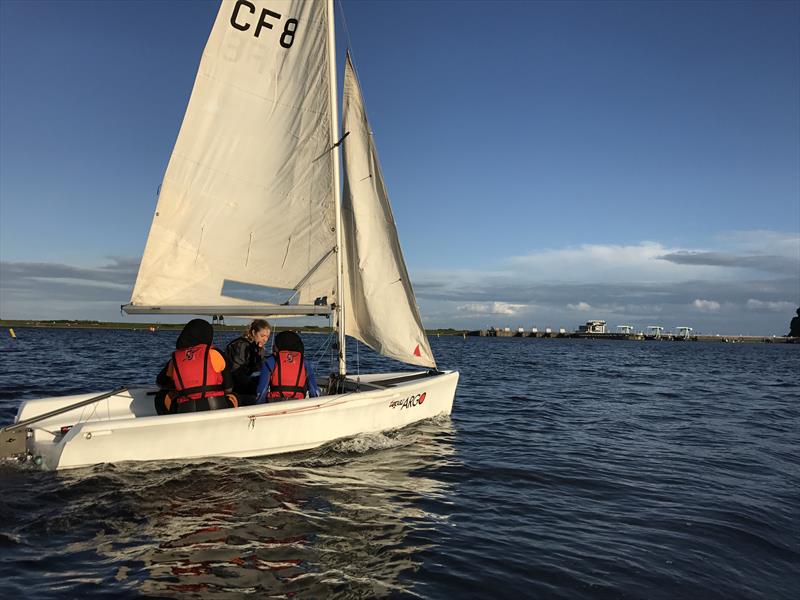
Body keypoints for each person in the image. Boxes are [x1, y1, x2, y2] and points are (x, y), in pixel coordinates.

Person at [155, 318, 237, 414]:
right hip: (216, 405)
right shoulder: (215, 353)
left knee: (161, 396)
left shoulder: (175, 360)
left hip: (185, 408)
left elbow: (160, 382)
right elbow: (228, 387)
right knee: (241, 397)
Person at [255, 330, 320, 403]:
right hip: (298, 403)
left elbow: (261, 391)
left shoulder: (270, 361)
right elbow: (314, 391)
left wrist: (259, 405)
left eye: (275, 344)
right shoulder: (305, 363)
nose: (273, 347)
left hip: (275, 403)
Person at [225, 319, 271, 405]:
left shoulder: (258, 347)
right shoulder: (241, 345)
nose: (265, 339)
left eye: (267, 336)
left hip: (247, 384)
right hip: (237, 388)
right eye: (262, 336)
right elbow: (237, 371)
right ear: (254, 333)